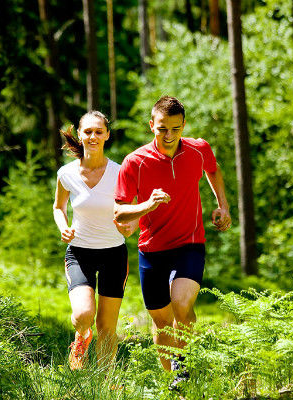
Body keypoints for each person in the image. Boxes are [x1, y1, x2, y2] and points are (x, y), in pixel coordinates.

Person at [113, 96, 231, 386]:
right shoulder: (134, 162)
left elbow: (212, 169)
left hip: (189, 242)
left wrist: (222, 205)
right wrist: (146, 206)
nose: (168, 136)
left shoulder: (198, 149)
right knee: (162, 324)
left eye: (175, 129)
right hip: (151, 250)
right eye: (162, 129)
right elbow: (119, 211)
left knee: (180, 303)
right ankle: (174, 384)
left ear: (183, 125)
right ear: (151, 124)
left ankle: (184, 367)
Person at [53, 111, 137, 370]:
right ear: (79, 134)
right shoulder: (67, 174)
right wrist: (63, 227)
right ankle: (81, 336)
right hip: (80, 254)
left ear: (107, 135)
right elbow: (58, 207)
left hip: (114, 254)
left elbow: (133, 210)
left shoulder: (120, 172)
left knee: (107, 326)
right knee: (83, 315)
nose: (93, 136)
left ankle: (102, 382)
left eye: (98, 132)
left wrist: (130, 227)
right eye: (87, 131)